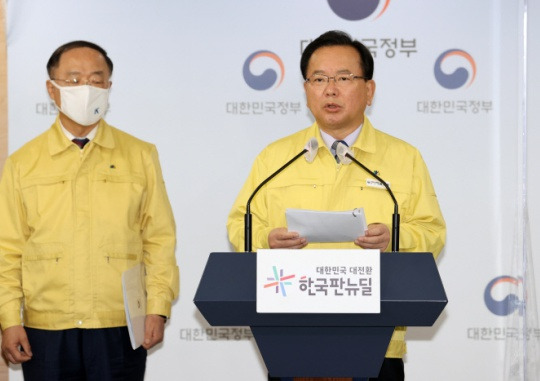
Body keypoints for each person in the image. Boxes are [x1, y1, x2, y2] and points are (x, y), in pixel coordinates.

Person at [227, 30, 446, 381]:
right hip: (290, 334)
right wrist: (266, 240)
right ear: (305, 90)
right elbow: (241, 224)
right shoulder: (276, 157)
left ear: (369, 90)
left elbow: (432, 232)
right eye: (318, 79)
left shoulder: (404, 158)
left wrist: (393, 238)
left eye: (344, 78)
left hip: (376, 337)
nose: (330, 89)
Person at [0, 41, 179, 380]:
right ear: (52, 90)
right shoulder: (23, 163)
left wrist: (157, 308)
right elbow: (6, 249)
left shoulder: (140, 155)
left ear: (109, 89)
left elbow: (159, 239)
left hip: (118, 322)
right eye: (73, 80)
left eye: (97, 80)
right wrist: (10, 319)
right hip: (47, 325)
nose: (87, 89)